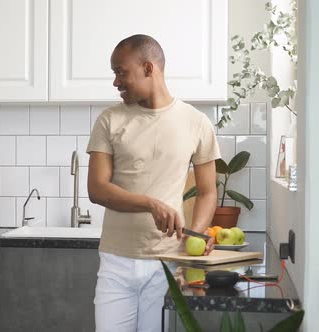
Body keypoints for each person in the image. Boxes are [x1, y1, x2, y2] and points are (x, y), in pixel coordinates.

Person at [86, 34, 220, 331]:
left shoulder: (196, 122)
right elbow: (97, 189)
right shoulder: (109, 120)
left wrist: (194, 236)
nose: (116, 82)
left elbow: (209, 192)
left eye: (121, 72)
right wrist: (150, 204)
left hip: (167, 263)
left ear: (149, 68)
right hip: (116, 261)